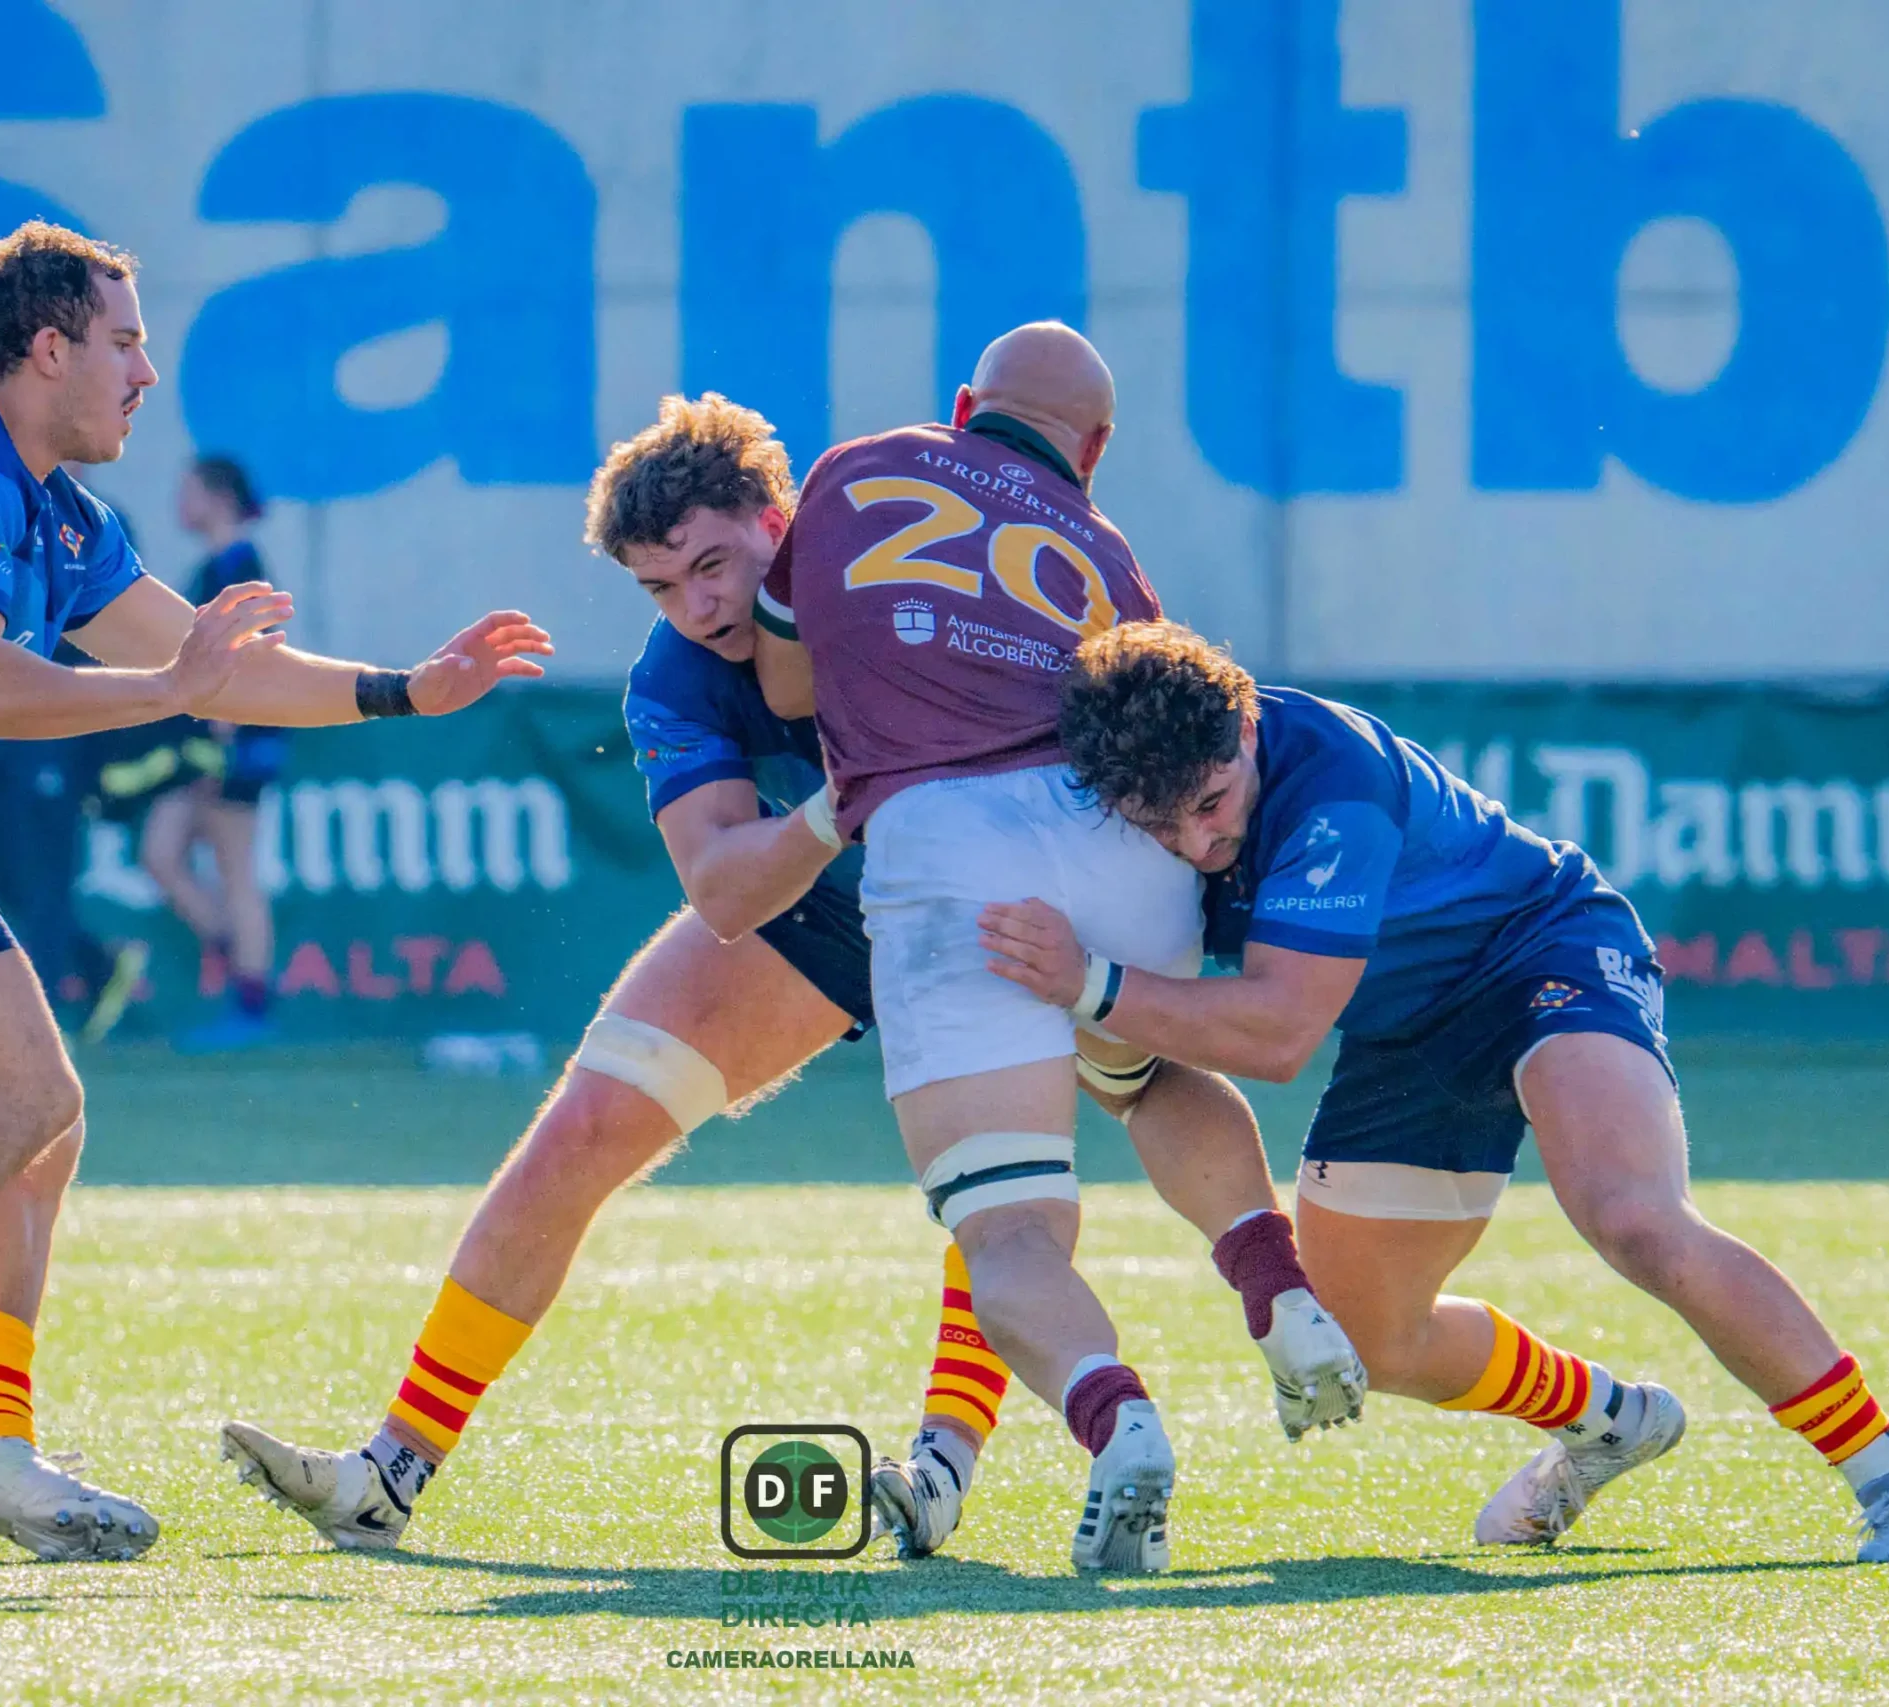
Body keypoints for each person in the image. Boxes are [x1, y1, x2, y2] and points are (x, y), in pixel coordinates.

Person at [221, 394, 1346, 1561]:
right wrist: (834, 803)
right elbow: (722, 889)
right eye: (663, 587)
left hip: (990, 904)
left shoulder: (899, 562)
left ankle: (955, 1461)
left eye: (714, 566)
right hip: (820, 902)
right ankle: (393, 1468)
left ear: (781, 518)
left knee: (1021, 1172)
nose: (698, 607)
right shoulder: (676, 675)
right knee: (585, 1128)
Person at [0, 220, 552, 1561]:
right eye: (127, 340)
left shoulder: (54, 506)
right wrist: (163, 690)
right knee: (29, 1086)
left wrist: (402, 689)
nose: (147, 371)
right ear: (48, 347)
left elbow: (217, 664)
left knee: (34, 1118)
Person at [979, 620, 1889, 1564]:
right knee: (1371, 1340)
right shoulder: (1139, 799)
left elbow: (1278, 1034)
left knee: (1631, 1215)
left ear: (1244, 729)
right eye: (1161, 827)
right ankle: (1608, 1421)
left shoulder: (1331, 780)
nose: (1197, 845)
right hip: (1404, 1027)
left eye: (1210, 806)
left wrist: (1091, 986)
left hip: (1536, 950)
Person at [751, 327, 1366, 1572]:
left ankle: (1116, 1420)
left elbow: (781, 689)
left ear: (967, 404)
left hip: (946, 844)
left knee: (1011, 1237)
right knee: (1139, 1065)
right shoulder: (1103, 546)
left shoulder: (854, 469)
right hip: (1117, 840)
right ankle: (1274, 1288)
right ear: (1093, 454)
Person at [136, 455, 289, 1051]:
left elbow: (242, 655)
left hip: (230, 748)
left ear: (220, 497)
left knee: (235, 870)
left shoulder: (239, 562)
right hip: (203, 747)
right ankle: (240, 961)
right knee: (161, 855)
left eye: (189, 490)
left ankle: (252, 1004)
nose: (181, 503)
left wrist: (220, 743)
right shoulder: (215, 564)